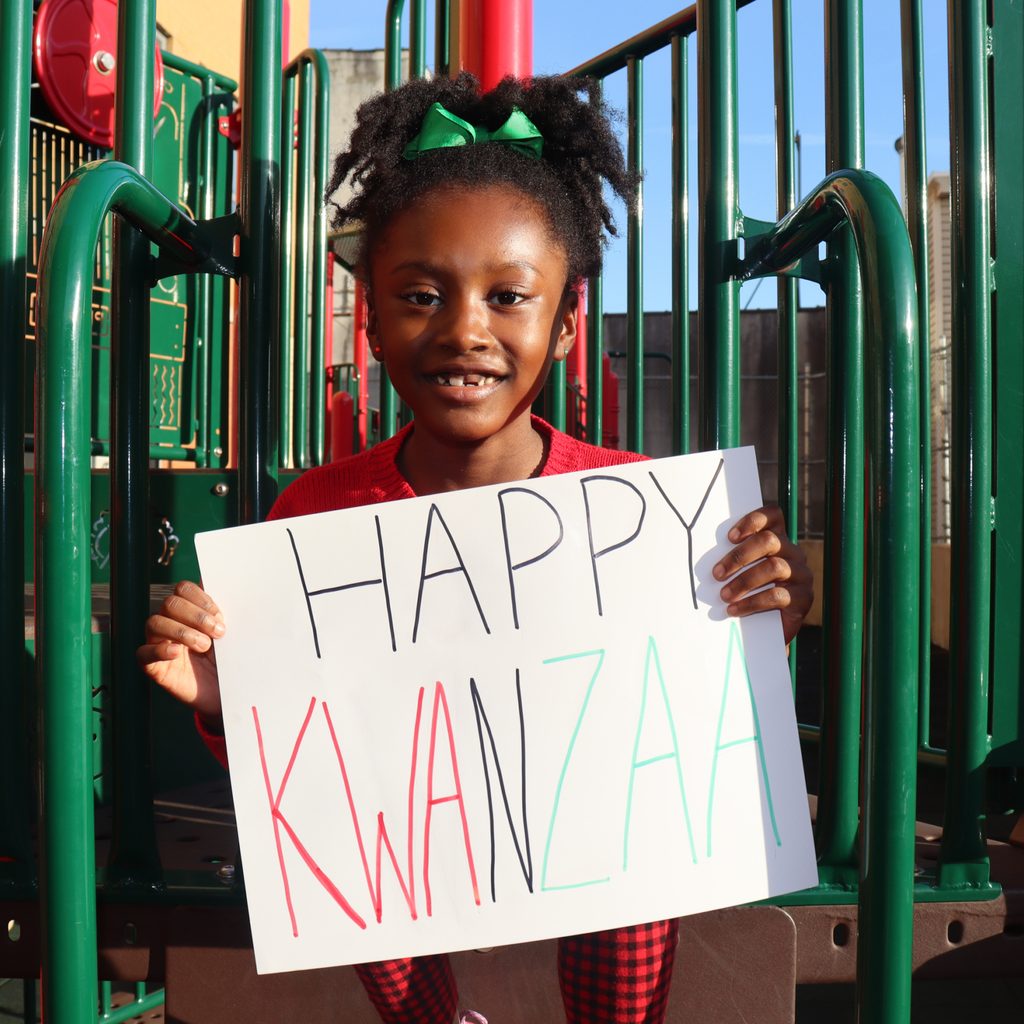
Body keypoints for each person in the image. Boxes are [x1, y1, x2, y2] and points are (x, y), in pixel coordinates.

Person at [139, 72, 813, 1024]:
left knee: (625, 879)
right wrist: (224, 696)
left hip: (590, 847)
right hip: (413, 849)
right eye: (419, 295)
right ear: (370, 321)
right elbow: (303, 750)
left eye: (509, 296)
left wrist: (771, 610)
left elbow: (693, 699)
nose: (465, 330)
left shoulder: (640, 505)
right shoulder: (313, 514)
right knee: (364, 839)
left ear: (567, 324)